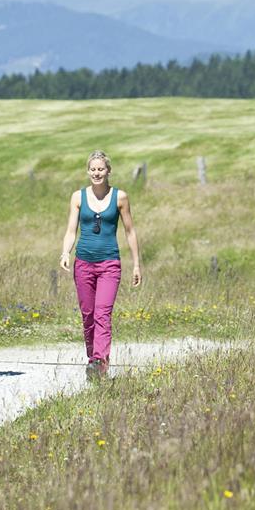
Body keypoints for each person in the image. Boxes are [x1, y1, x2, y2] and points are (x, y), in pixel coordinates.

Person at [59, 150, 143, 381]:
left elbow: (130, 231)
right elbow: (70, 230)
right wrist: (65, 252)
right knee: (88, 314)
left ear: (108, 171)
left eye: (101, 169)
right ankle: (92, 359)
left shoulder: (120, 197)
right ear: (88, 171)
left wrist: (136, 264)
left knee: (103, 314)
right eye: (93, 169)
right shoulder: (78, 197)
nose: (97, 173)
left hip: (109, 264)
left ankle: (100, 361)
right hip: (83, 263)